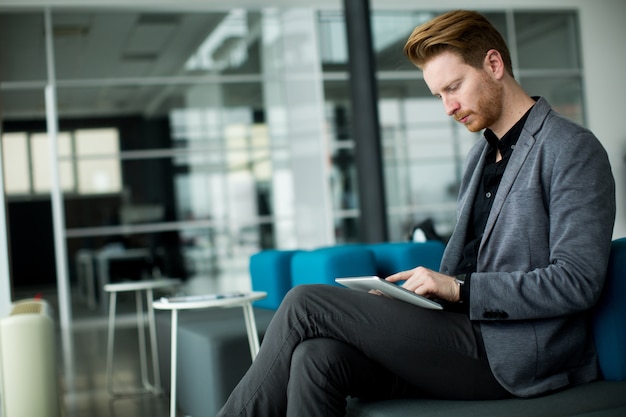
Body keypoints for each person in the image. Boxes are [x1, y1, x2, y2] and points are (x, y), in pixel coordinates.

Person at [217, 9, 616, 417]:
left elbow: (577, 281)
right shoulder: (480, 155)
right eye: (439, 95)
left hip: (516, 355)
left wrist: (460, 288)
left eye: (454, 87)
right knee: (316, 357)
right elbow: (466, 264)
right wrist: (403, 303)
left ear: (494, 65)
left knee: (305, 302)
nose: (448, 107)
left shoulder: (571, 149)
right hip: (458, 336)